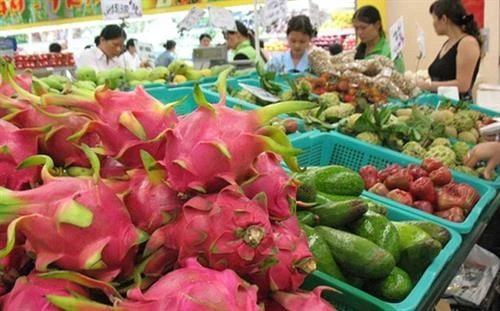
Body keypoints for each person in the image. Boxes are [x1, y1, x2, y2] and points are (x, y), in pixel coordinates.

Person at [417, 0, 482, 100]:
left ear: (444, 19)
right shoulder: (448, 43)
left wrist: (427, 85)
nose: (433, 23)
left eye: (434, 18)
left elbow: (463, 85)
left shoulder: (468, 43)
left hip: (456, 107)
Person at [352, 5, 405, 73]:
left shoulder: (391, 51)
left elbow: (400, 78)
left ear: (377, 25)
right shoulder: (356, 52)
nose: (359, 32)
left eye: (363, 28)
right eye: (356, 28)